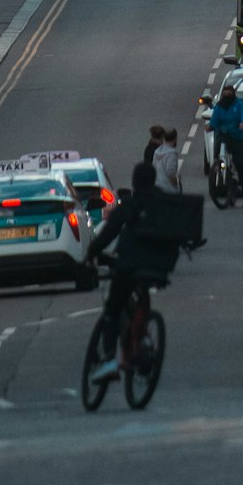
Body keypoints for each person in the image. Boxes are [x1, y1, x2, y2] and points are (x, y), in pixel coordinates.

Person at [88, 161, 181, 383]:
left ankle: (110, 359)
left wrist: (91, 252)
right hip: (161, 266)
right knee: (142, 291)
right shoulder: (166, 204)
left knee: (112, 309)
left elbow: (108, 234)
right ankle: (144, 341)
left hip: (130, 265)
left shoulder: (130, 205)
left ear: (135, 181)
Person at [207, 84, 243, 206]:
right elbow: (214, 119)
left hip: (237, 136)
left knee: (240, 165)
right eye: (225, 92)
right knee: (218, 146)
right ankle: (217, 166)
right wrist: (210, 126)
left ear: (233, 93)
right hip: (223, 135)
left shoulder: (239, 105)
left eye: (229, 92)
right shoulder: (219, 107)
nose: (227, 95)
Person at [153, 129, 181, 194]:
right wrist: (176, 185)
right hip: (168, 189)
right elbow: (170, 172)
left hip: (157, 186)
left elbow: (153, 167)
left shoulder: (157, 151)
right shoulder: (172, 154)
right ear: (175, 139)